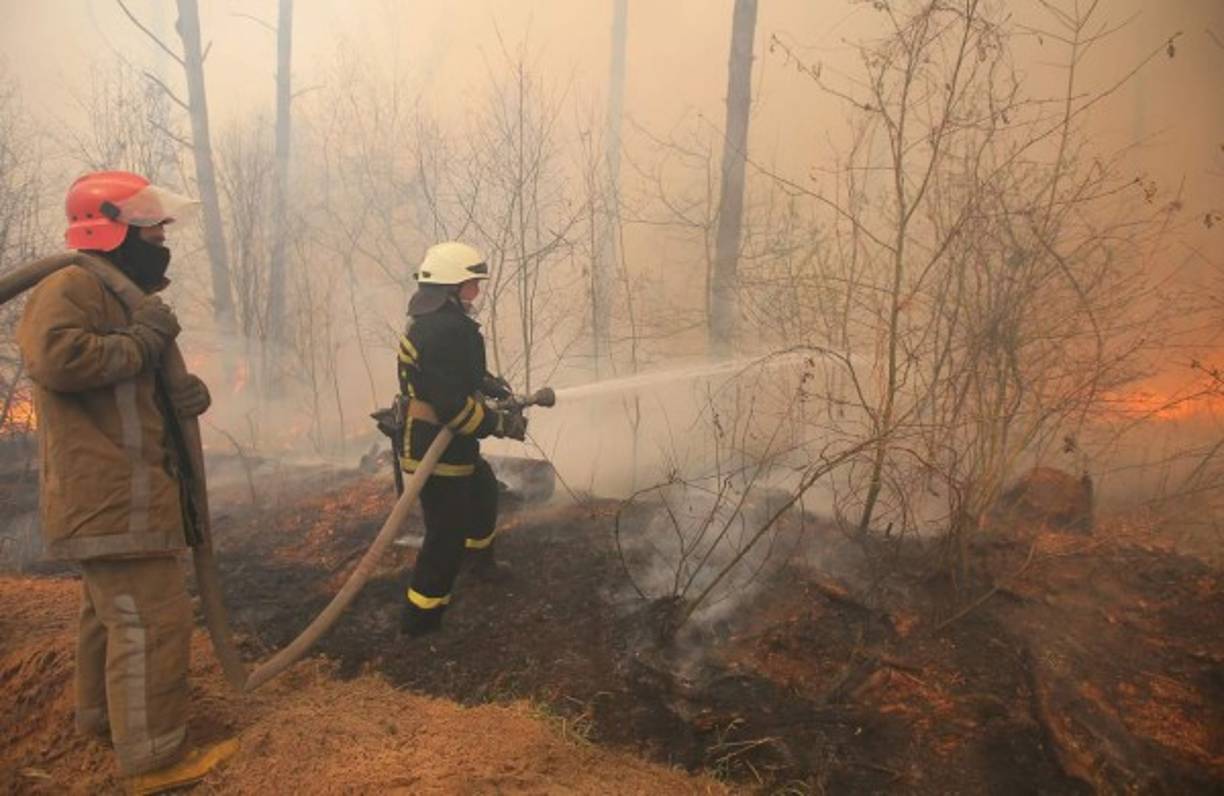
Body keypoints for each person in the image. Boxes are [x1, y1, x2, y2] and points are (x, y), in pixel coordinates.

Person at [16, 171, 236, 793]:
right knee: (153, 621)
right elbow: (57, 359)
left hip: (125, 497)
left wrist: (181, 392)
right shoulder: (72, 284)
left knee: (111, 615)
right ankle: (154, 761)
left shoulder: (115, 294)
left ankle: (104, 723)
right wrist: (144, 342)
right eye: (152, 230)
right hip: (110, 496)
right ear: (110, 229)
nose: (161, 240)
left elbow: (126, 393)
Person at [396, 241, 527, 637]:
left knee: (483, 490)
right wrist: (501, 425)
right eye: (472, 283)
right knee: (445, 534)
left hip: (444, 440)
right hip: (434, 446)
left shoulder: (437, 324)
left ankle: (479, 564)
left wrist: (487, 384)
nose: (477, 291)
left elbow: (446, 376)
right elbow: (454, 407)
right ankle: (421, 619)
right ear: (452, 287)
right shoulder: (447, 330)